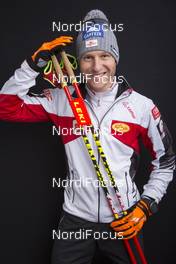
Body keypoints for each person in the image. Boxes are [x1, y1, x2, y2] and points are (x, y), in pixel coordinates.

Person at [0, 9, 175, 264]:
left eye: (104, 55)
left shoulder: (142, 107)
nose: (96, 66)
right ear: (78, 61)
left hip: (124, 220)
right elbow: (6, 106)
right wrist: (32, 64)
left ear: (115, 58)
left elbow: (166, 163)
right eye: (87, 57)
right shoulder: (63, 99)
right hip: (74, 221)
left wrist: (145, 207)